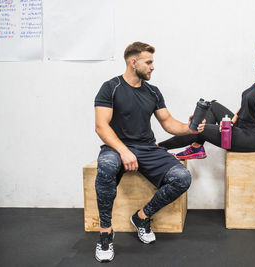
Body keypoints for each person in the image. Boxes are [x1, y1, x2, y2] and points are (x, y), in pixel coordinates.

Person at [93, 42, 205, 262]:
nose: (153, 67)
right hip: (116, 147)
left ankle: (141, 217)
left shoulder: (153, 91)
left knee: (182, 178)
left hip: (147, 148)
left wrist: (189, 128)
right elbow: (101, 126)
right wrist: (124, 151)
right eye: (149, 62)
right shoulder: (110, 87)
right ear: (133, 62)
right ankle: (105, 233)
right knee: (105, 166)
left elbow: (168, 122)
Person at [158, 41, 255, 163]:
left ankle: (159, 148)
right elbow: (244, 107)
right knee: (213, 106)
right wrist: (231, 123)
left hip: (249, 137)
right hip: (240, 126)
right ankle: (197, 147)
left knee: (198, 127)